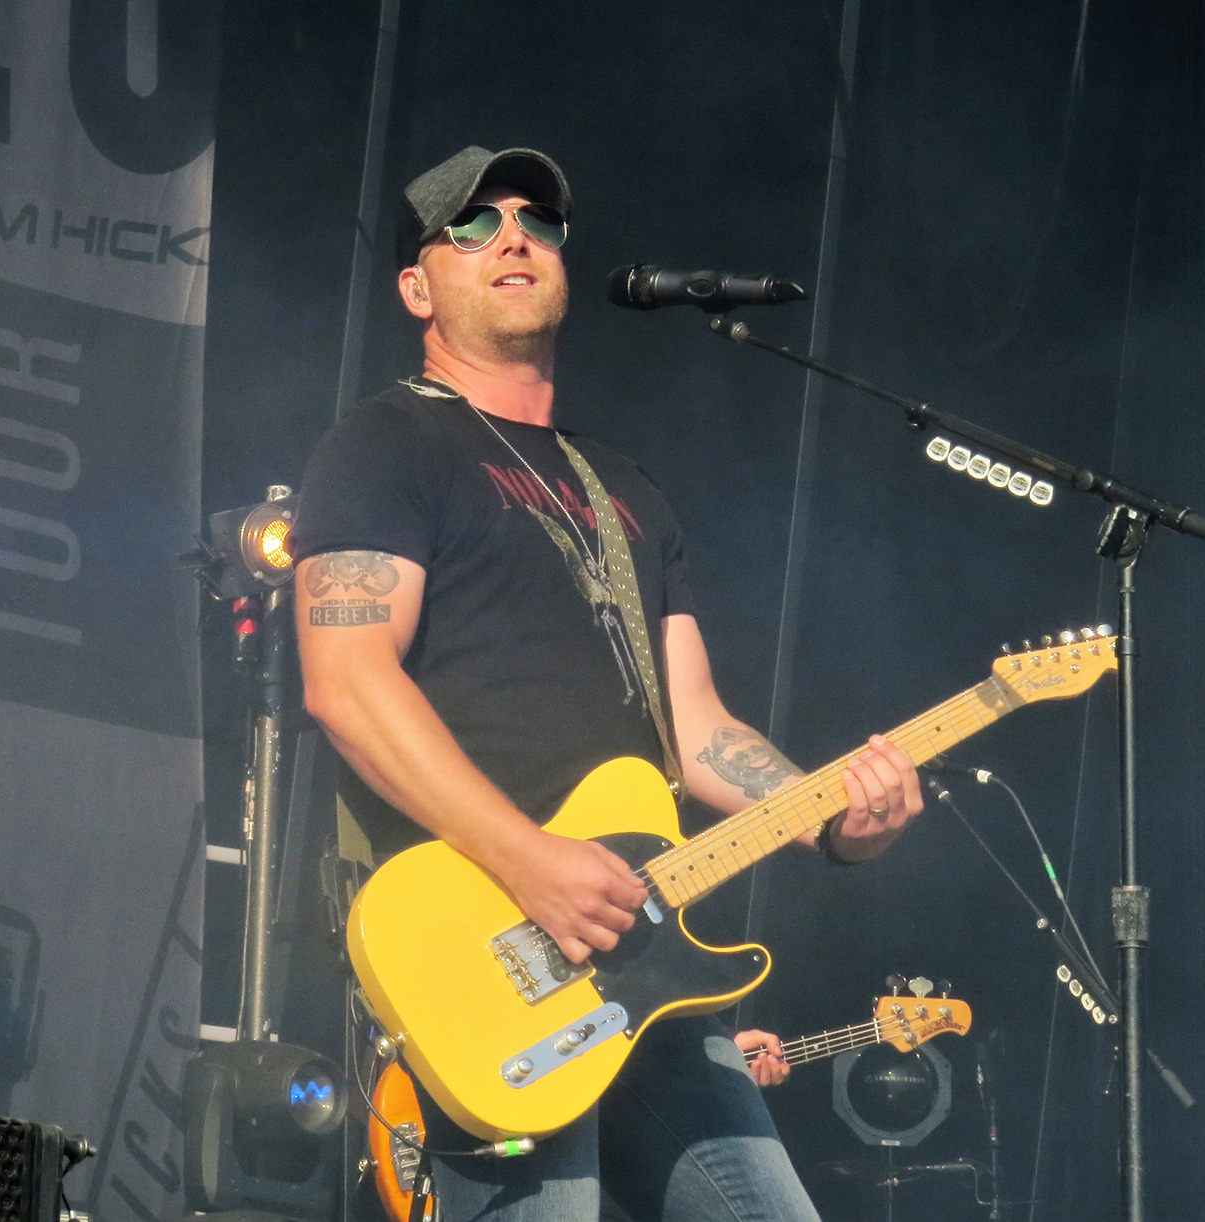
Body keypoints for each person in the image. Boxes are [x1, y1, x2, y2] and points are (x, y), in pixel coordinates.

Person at [288, 146, 923, 1222]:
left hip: (645, 953)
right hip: (489, 951)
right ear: (415, 287)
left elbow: (696, 726)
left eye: (536, 219)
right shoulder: (384, 444)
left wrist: (830, 816)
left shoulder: (622, 486)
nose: (514, 235)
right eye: (473, 224)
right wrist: (526, 858)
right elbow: (346, 683)